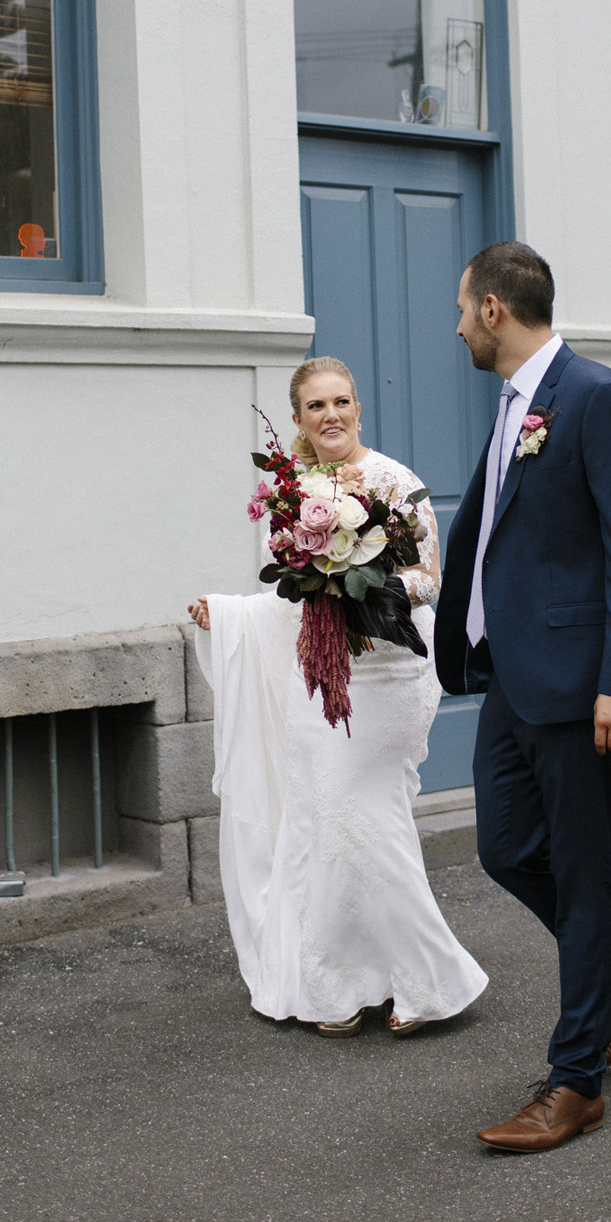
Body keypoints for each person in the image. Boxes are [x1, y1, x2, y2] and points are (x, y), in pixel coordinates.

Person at [435, 241, 611, 1152]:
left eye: (463, 307)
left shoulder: (593, 397)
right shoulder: (513, 405)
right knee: (505, 850)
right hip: (510, 679)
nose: (456, 322)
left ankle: (574, 1081)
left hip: (585, 691)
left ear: (495, 309)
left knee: (585, 881)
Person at [188, 356, 487, 1038]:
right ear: (295, 418)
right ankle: (343, 982)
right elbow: (289, 598)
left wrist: (363, 582)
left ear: (357, 408)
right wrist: (229, 612)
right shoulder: (289, 494)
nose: (331, 415)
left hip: (386, 677)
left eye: (342, 402)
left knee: (366, 822)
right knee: (326, 822)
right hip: (319, 676)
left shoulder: (393, 481)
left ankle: (436, 981)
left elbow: (428, 578)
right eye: (316, 405)